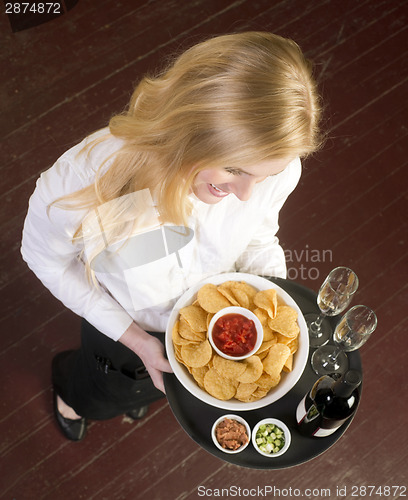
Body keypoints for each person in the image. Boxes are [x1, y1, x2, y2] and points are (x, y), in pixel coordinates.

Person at [21, 31, 322, 441]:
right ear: (192, 126)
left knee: (140, 392)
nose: (247, 194)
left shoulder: (278, 166)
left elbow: (258, 237)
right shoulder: (83, 182)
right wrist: (139, 342)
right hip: (124, 329)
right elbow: (46, 262)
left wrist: (275, 308)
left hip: (205, 336)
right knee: (99, 392)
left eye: (265, 176)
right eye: (235, 169)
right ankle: (72, 398)